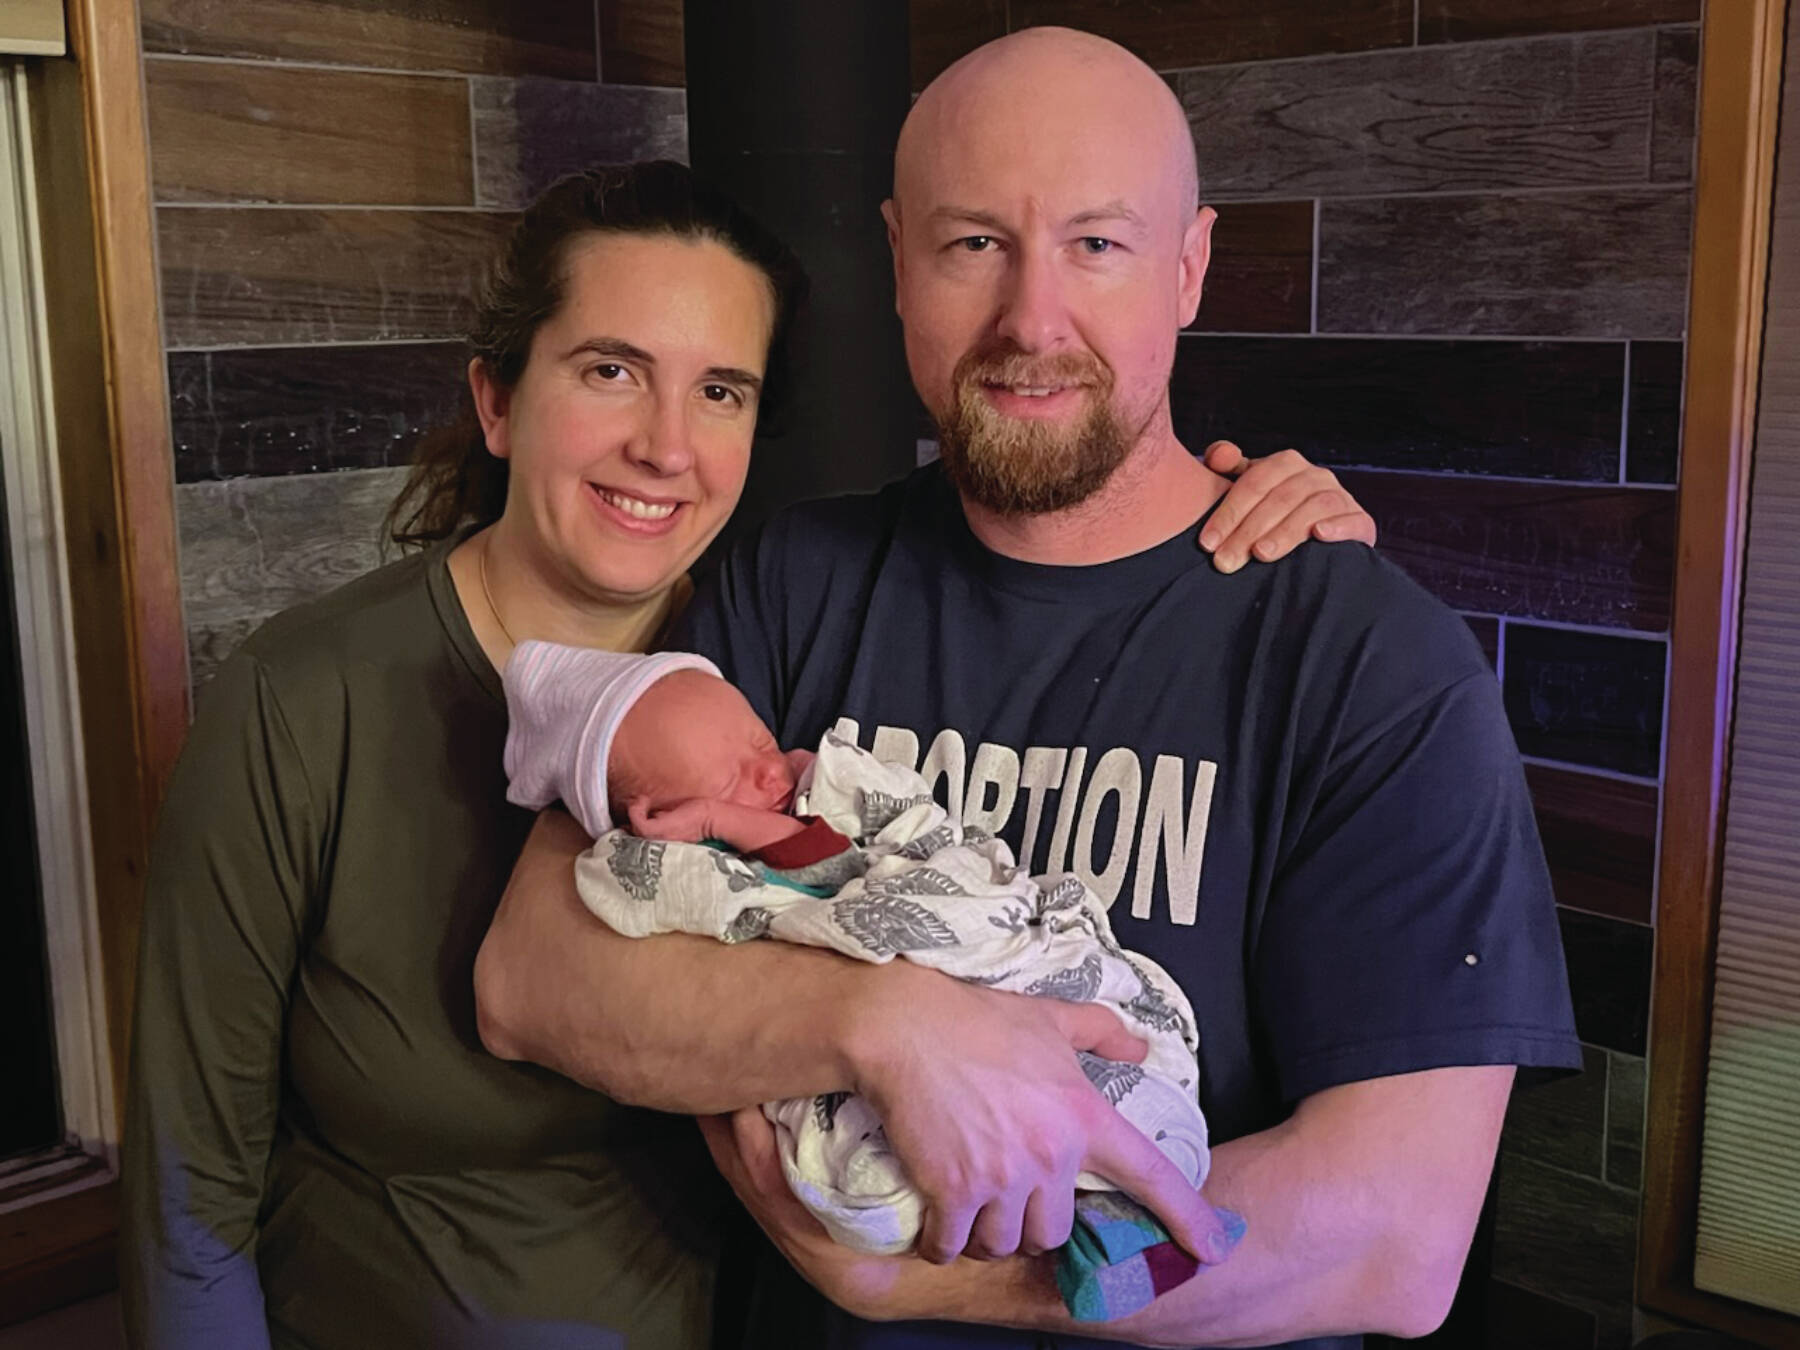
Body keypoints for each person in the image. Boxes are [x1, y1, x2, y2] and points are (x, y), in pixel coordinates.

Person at [118, 157, 1372, 1348]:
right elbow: (189, 1199)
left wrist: (1252, 515)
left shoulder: (789, 641)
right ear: (498, 400)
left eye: (722, 390)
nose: (667, 444)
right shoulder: (305, 701)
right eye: (611, 370)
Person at [475, 29, 1583, 1350]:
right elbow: (530, 972)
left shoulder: (1368, 665)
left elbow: (1393, 1234)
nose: (1031, 321)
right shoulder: (792, 585)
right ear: (896, 259)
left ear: (1189, 267)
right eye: (975, 244)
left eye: (1097, 245)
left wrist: (910, 1284)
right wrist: (875, 1023)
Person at [499, 641, 1215, 1317]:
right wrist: (725, 819)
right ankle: (1101, 1238)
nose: (772, 775)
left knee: (1112, 1090)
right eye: (728, 780)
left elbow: (881, 856)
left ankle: (1117, 1231)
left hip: (983, 984)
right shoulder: (699, 866)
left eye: (760, 745)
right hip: (888, 1103)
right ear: (654, 818)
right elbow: (821, 869)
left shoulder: (795, 787)